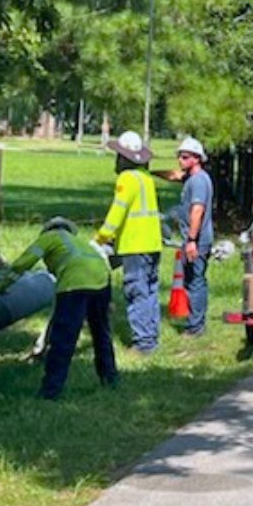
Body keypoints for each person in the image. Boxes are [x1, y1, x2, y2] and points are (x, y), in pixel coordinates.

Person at [0, 217, 117, 400]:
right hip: (102, 280)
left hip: (74, 284)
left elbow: (24, 262)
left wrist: (1, 286)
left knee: (63, 340)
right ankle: (110, 379)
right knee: (101, 333)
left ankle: (50, 391)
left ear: (48, 230)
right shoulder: (79, 241)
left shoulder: (49, 237)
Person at [95, 130, 163, 353]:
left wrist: (102, 237)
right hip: (153, 244)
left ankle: (142, 343)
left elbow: (118, 211)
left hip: (135, 245)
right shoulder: (147, 179)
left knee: (136, 291)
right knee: (150, 291)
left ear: (123, 158)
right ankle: (151, 337)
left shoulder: (126, 179)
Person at [167, 136, 214, 337]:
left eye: (185, 157)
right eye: (179, 156)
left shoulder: (199, 182)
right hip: (193, 239)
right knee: (191, 280)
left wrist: (192, 241)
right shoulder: (193, 178)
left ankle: (196, 326)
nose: (180, 160)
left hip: (198, 240)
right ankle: (195, 323)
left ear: (196, 158)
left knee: (196, 281)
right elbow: (174, 176)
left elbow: (197, 211)